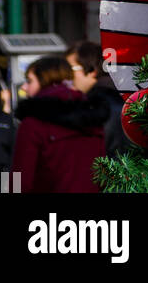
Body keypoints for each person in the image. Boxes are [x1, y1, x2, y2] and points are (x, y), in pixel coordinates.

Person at [13, 54, 108, 193]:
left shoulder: (32, 124)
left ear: (46, 81)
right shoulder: (93, 119)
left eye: (29, 81)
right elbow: (102, 177)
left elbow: (20, 182)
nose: (24, 87)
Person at [66, 41, 126, 157]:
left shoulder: (97, 105)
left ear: (91, 70)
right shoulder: (121, 95)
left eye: (70, 70)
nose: (65, 76)